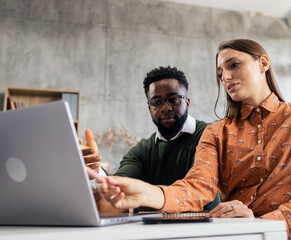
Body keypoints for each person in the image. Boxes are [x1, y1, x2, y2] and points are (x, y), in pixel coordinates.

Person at [96, 39, 291, 240]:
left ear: (263, 63)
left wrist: (263, 224)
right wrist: (148, 194)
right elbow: (198, 187)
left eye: (233, 65)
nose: (225, 76)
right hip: (234, 234)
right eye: (220, 72)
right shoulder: (216, 132)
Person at [81, 66, 220, 211]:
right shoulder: (142, 151)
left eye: (173, 99)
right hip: (152, 232)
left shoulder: (210, 135)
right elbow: (119, 187)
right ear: (150, 108)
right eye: (156, 102)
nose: (165, 108)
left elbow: (202, 188)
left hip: (208, 230)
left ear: (187, 103)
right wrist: (95, 171)